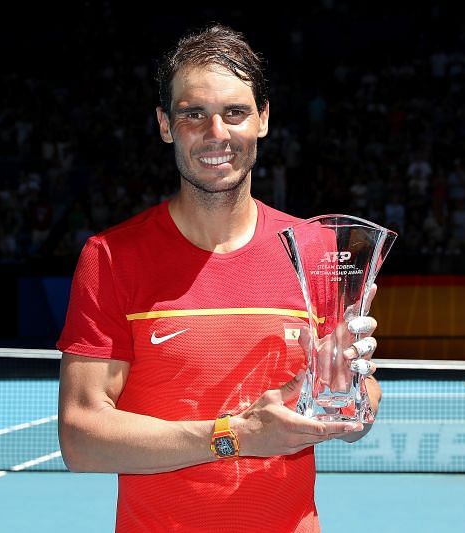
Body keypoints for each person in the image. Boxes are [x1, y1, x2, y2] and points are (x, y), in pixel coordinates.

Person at [57, 23, 382, 532]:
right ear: (165, 124)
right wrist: (233, 436)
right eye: (193, 114)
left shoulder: (313, 247)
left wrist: (345, 386)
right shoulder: (111, 257)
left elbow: (356, 416)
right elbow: (80, 438)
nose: (217, 134)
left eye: (235, 112)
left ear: (263, 119)